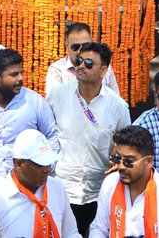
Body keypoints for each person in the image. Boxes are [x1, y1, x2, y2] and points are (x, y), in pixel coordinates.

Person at [47, 41, 132, 234]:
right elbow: (45, 132)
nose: (81, 66)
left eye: (88, 63)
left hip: (98, 192)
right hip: (62, 188)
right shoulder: (57, 95)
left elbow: (127, 143)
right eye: (79, 61)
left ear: (103, 71)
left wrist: (117, 160)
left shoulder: (117, 106)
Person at [88, 125, 159, 238]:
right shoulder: (110, 183)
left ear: (148, 162)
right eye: (117, 159)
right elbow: (99, 228)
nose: (121, 167)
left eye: (128, 161)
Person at [0, 129, 76, 237]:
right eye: (40, 164)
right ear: (19, 164)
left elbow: (71, 233)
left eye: (49, 163)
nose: (47, 169)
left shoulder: (57, 187)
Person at [0, 48, 58, 164]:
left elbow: (51, 136)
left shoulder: (35, 102)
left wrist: (47, 166)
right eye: (14, 75)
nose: (20, 78)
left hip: (26, 180)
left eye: (21, 73)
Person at [44, 22, 120, 94]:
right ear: (67, 44)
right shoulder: (57, 70)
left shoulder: (103, 67)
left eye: (85, 45)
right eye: (75, 47)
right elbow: (54, 102)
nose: (80, 51)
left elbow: (117, 100)